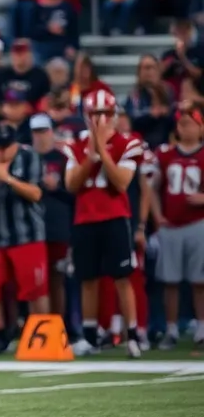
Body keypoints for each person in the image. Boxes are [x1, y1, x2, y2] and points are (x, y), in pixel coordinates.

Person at [65, 89, 144, 358]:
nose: (100, 119)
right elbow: (72, 185)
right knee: (88, 279)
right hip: (85, 218)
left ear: (114, 115)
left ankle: (132, 335)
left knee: (122, 277)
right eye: (94, 113)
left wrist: (102, 151)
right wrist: (91, 155)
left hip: (115, 217)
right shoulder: (75, 145)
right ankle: (90, 336)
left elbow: (121, 182)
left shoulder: (128, 143)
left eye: (105, 113)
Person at [0, 122, 48, 354]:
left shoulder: (30, 158)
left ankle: (41, 335)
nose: (2, 152)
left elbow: (36, 193)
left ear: (15, 144)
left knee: (35, 290)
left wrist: (8, 179)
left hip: (28, 235)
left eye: (7, 146)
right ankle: (0, 334)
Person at [149, 107, 204, 350]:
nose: (185, 128)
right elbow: (152, 187)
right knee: (169, 281)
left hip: (198, 223)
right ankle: (170, 329)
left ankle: (201, 328)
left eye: (190, 124)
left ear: (200, 127)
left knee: (199, 280)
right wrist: (157, 215)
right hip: (170, 225)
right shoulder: (165, 154)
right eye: (181, 124)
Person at [31, 114, 72, 319]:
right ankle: (35, 325)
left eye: (43, 131)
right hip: (31, 228)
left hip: (57, 226)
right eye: (36, 132)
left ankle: (58, 325)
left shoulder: (63, 159)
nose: (40, 136)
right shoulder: (26, 158)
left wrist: (57, 188)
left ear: (51, 132)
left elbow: (74, 194)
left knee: (57, 279)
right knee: (34, 280)